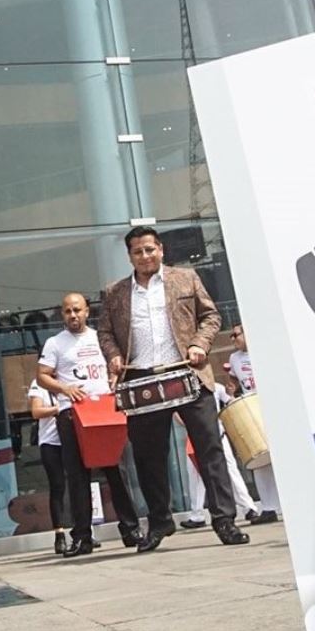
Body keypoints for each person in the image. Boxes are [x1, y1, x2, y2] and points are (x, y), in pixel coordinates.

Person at [98, 226, 249, 552]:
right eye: (138, 251)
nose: (145, 256)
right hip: (141, 379)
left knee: (210, 449)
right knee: (148, 457)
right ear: (130, 256)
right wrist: (112, 356)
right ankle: (160, 521)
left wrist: (199, 344)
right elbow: (105, 332)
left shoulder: (185, 278)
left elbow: (210, 316)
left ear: (161, 249)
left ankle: (224, 519)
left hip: (188, 372)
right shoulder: (115, 292)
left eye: (150, 249)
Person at [37, 291, 140, 556]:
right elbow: (42, 376)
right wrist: (64, 388)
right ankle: (82, 537)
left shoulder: (100, 338)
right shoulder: (55, 343)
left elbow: (117, 366)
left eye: (77, 310)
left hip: (103, 410)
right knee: (77, 476)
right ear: (62, 314)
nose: (73, 315)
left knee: (114, 472)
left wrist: (116, 379)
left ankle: (130, 529)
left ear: (87, 311)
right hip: (71, 414)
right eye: (68, 311)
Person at [180, 385, 258, 528]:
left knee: (231, 472)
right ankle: (197, 515)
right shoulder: (184, 388)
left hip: (217, 434)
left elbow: (231, 403)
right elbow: (177, 415)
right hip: (194, 437)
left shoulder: (216, 388)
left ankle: (249, 508)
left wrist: (231, 394)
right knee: (195, 477)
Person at [227, 324, 279, 524]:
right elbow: (232, 381)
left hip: (270, 405)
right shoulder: (234, 359)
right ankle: (268, 507)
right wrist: (232, 392)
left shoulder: (264, 349)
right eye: (230, 336)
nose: (233, 339)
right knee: (258, 460)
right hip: (252, 409)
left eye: (236, 335)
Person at [27, 381, 68, 554]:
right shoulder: (39, 384)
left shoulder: (68, 376)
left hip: (71, 439)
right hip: (51, 442)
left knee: (78, 484)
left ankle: (85, 530)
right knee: (57, 486)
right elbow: (36, 411)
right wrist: (58, 409)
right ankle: (60, 535)